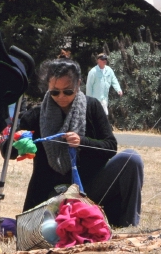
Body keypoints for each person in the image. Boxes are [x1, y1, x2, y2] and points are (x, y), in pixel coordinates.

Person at [17, 58, 144, 227]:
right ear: (48, 86)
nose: (61, 97)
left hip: (88, 188)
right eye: (55, 92)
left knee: (131, 158)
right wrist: (17, 142)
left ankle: (129, 223)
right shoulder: (36, 114)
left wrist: (82, 142)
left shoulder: (92, 107)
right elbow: (8, 150)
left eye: (67, 91)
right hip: (52, 194)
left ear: (78, 84)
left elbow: (110, 147)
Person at [86, 54, 124, 118]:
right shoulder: (93, 71)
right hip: (95, 99)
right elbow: (89, 86)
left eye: (105, 59)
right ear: (98, 60)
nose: (104, 61)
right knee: (96, 116)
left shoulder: (109, 70)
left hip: (104, 98)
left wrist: (118, 89)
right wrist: (89, 100)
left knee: (104, 115)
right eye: (102, 59)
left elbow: (114, 80)